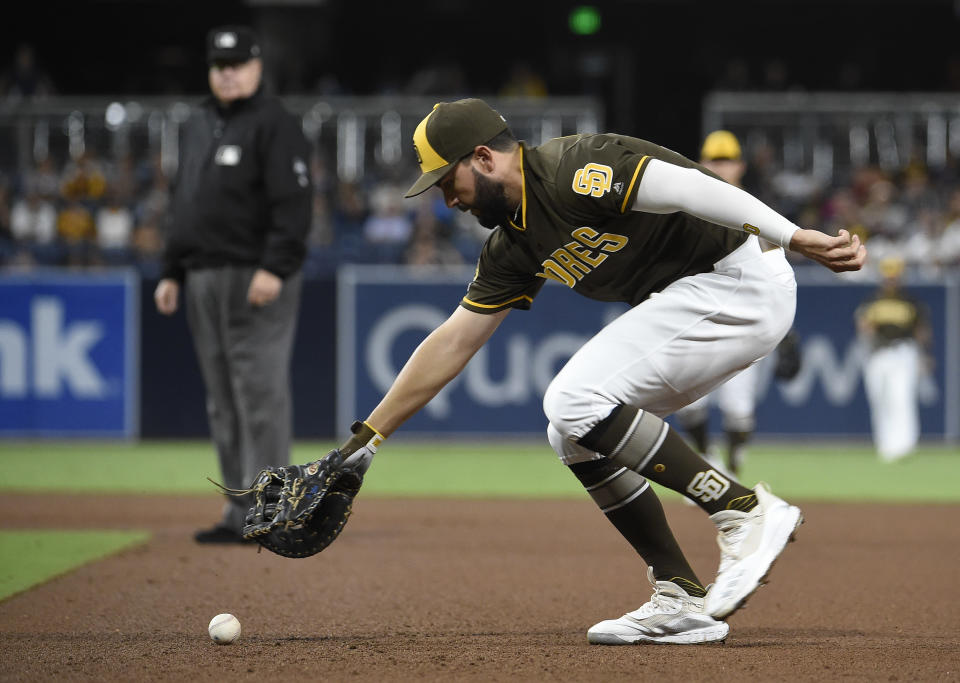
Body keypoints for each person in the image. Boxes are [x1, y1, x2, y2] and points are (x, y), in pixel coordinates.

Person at [297, 99, 865, 643]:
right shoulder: (512, 245)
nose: (448, 200)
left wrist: (791, 235)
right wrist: (366, 439)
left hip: (738, 277)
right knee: (569, 430)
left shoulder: (574, 168)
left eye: (449, 181)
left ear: (483, 157)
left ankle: (741, 510)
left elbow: (694, 186)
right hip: (701, 294)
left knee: (573, 397)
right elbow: (453, 341)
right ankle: (679, 597)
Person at [154, 25, 312, 543]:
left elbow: (294, 204)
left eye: (236, 63)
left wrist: (276, 265)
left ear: (257, 66)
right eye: (219, 64)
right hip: (201, 274)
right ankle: (236, 510)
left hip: (255, 274)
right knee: (222, 397)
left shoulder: (275, 122)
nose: (227, 72)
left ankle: (271, 513)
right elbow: (185, 203)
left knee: (259, 393)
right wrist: (172, 269)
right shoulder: (199, 122)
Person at [673, 130, 768, 477]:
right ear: (702, 164)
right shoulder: (687, 208)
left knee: (739, 410)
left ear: (740, 165)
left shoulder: (757, 210)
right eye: (715, 160)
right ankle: (709, 457)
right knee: (688, 405)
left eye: (727, 160)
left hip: (744, 318)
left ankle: (734, 463)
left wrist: (783, 327)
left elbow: (775, 268)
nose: (721, 166)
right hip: (698, 315)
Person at [855, 257, 930, 462]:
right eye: (888, 277)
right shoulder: (871, 302)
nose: (891, 281)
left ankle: (905, 445)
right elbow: (863, 327)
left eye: (894, 277)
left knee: (901, 397)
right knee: (879, 399)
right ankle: (885, 445)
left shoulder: (910, 302)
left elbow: (921, 331)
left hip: (903, 352)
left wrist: (924, 356)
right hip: (878, 354)